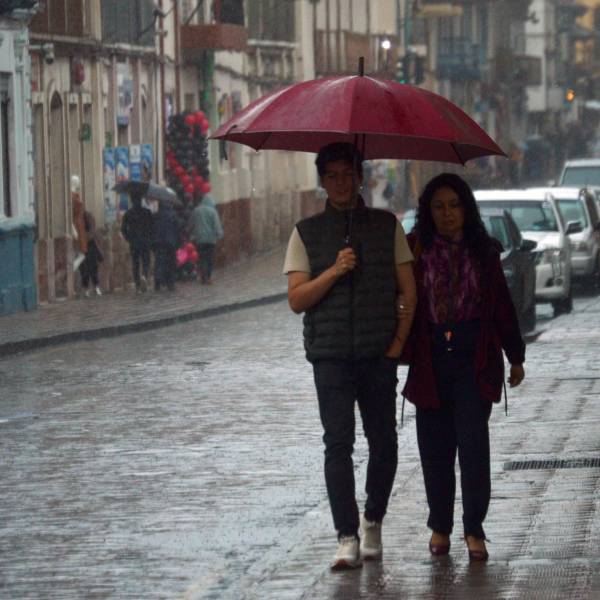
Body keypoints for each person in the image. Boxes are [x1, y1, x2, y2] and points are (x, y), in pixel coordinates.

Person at [284, 142, 417, 570]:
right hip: (331, 357)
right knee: (338, 444)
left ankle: (373, 518)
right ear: (322, 181)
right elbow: (297, 299)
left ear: (361, 177)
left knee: (384, 442)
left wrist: (396, 345)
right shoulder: (305, 233)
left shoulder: (386, 226)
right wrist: (335, 270)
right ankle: (346, 535)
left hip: (378, 355)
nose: (341, 183)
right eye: (333, 176)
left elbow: (408, 291)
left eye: (348, 174)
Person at [399, 173, 525, 562]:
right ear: (428, 211)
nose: (448, 213)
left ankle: (474, 529)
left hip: (474, 359)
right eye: (439, 206)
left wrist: (516, 356)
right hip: (430, 360)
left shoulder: (483, 251)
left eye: (454, 205)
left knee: (473, 446)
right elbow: (397, 299)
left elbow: (502, 306)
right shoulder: (414, 249)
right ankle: (440, 525)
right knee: (434, 449)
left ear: (466, 209)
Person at [121, 190, 153, 293]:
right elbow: (152, 226)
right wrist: (150, 237)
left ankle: (138, 285)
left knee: (135, 263)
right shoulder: (147, 212)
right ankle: (144, 275)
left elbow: (123, 229)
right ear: (140, 200)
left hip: (134, 242)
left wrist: (128, 238)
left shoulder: (128, 213)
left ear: (132, 201)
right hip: (145, 241)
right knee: (146, 260)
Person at [187, 193, 223, 284]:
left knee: (201, 258)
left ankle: (203, 276)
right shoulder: (213, 212)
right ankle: (209, 277)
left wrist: (189, 232)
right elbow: (216, 225)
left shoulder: (196, 211)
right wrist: (219, 235)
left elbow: (191, 224)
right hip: (211, 240)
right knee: (209, 258)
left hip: (199, 239)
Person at [152, 201, 181, 291]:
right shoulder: (173, 215)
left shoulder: (155, 216)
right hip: (170, 242)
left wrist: (152, 243)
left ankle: (157, 282)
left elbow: (152, 230)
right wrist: (178, 242)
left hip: (158, 242)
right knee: (170, 262)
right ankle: (170, 283)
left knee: (159, 262)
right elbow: (177, 229)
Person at [80, 209, 104, 297]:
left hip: (83, 250)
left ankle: (87, 289)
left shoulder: (82, 229)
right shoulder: (90, 232)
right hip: (88, 251)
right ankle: (95, 288)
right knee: (92, 270)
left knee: (84, 271)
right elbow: (93, 241)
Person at [71, 175, 87, 271]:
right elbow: (69, 213)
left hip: (79, 224)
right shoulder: (72, 196)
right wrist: (73, 229)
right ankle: (73, 267)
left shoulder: (75, 195)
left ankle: (73, 267)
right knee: (80, 252)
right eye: (78, 181)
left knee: (81, 252)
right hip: (76, 224)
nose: (79, 184)